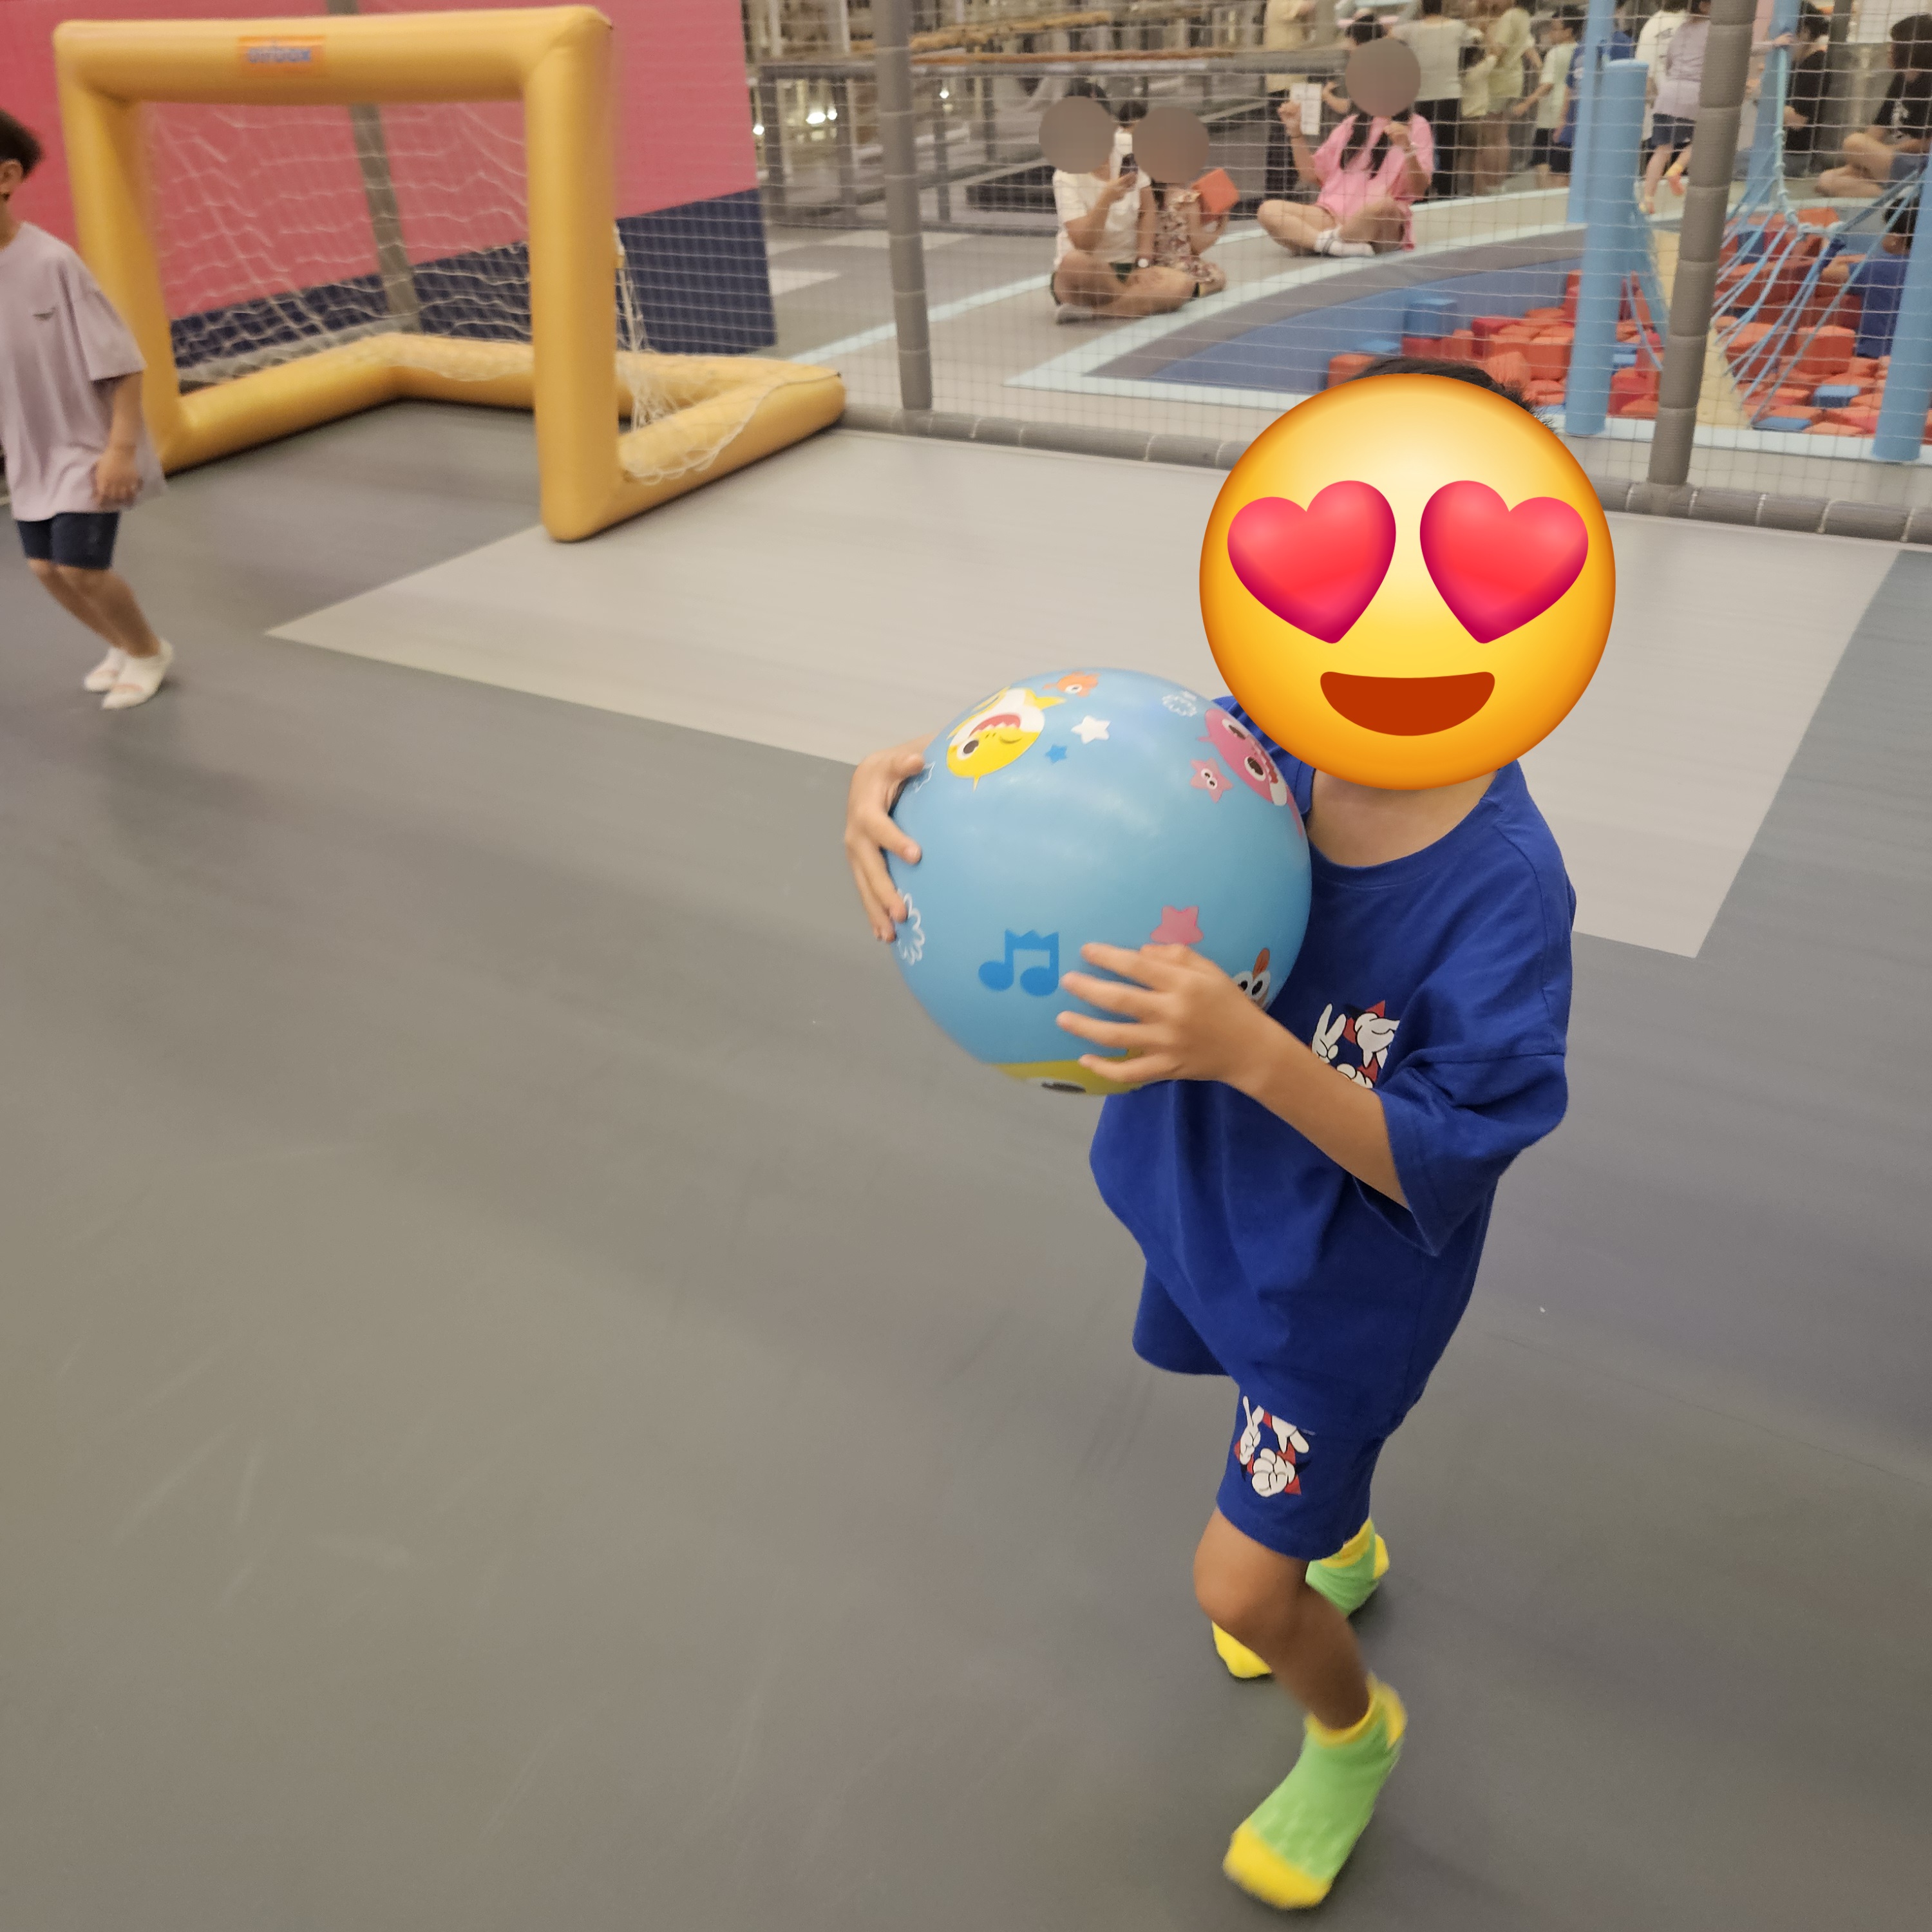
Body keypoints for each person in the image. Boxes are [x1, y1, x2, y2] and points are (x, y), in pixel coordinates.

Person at [841, 354, 1575, 1911]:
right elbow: (1082, 793)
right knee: (1256, 1420)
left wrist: (1254, 1053)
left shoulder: (1502, 893)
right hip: (1208, 1209)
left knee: (1238, 1582)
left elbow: (1455, 1148)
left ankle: (1353, 1736)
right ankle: (1339, 1535)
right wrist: (910, 786)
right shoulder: (1260, 741)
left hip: (1337, 1290)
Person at [0, 109, 173, 709]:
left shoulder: (52, 263)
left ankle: (148, 650)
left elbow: (123, 363)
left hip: (86, 446)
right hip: (30, 452)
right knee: (46, 570)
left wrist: (119, 449)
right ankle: (120, 645)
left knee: (82, 570)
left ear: (6, 177)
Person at [1049, 89, 1193, 322]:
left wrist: (1144, 262)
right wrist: (1105, 200)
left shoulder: (1129, 147)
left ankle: (1099, 311)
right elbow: (1084, 244)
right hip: (1090, 272)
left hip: (1129, 267)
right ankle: (1136, 302)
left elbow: (1147, 209)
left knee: (1183, 284)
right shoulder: (1065, 175)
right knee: (1074, 263)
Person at [1258, 101, 1435, 257]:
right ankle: (1332, 245)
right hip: (1331, 217)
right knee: (1268, 210)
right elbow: (1310, 174)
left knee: (1384, 206)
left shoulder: (1417, 125)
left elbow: (1418, 190)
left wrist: (1408, 149)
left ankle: (1318, 241)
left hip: (1379, 226)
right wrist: (1296, 133)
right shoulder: (1350, 124)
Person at [1817, 14, 1932, 201]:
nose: (1889, 49)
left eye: (1895, 44)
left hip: (1918, 164)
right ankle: (1903, 199)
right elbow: (1879, 127)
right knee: (1827, 180)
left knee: (1854, 143)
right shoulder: (1900, 79)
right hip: (1894, 160)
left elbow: (1927, 143)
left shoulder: (1928, 83)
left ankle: (1913, 196)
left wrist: (1886, 151)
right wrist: (1866, 159)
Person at [1394, 0, 1476, 197]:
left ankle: (1421, 194)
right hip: (1450, 95)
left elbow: (1391, 32)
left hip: (1422, 98)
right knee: (1449, 150)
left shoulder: (1411, 30)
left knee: (1421, 149)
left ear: (1422, 6)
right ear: (1443, 6)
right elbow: (1474, 42)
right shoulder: (1458, 27)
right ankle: (1448, 194)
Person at [1820, 196, 1919, 356]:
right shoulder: (1917, 270)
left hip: (1874, 356)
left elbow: (1822, 276)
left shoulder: (1876, 269)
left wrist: (1828, 244)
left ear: (1895, 239)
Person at [1643, 0, 1712, 215]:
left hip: (1668, 94)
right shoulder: (1713, 28)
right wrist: (1774, 44)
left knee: (1662, 150)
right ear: (1705, 6)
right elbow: (1744, 49)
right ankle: (1677, 169)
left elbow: (1670, 62)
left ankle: (1647, 200)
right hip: (1693, 94)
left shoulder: (1682, 28)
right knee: (1704, 137)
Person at [1512, 8, 1580, 187]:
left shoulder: (1554, 53)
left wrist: (1526, 103)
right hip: (1569, 115)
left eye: (1555, 29)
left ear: (1568, 31)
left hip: (1550, 117)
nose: (1550, 33)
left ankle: (1544, 195)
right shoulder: (1579, 51)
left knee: (1542, 160)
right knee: (1564, 166)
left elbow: (1547, 85)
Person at [1475, 0, 1536, 194]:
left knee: (1489, 137)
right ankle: (1500, 184)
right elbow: (1527, 48)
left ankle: (1490, 185)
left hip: (1497, 81)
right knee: (1502, 135)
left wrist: (1485, 32)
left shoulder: (1508, 17)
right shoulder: (1523, 15)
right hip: (1513, 79)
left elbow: (1498, 52)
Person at [1263, 0, 1318, 201]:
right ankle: (1280, 190)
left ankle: (1283, 189)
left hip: (1290, 79)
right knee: (1284, 136)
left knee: (1287, 135)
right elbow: (1306, 7)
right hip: (1285, 81)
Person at [1142, 181, 1229, 297]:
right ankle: (1195, 290)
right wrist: (1221, 226)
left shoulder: (1146, 199)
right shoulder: (1187, 199)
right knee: (1218, 277)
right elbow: (1197, 246)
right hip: (1181, 269)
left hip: (1155, 268)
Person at [1779, 7, 1832, 169]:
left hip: (1796, 156)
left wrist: (1764, 95)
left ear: (1804, 32)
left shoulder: (1815, 65)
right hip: (1783, 150)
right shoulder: (1799, 63)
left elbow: (1797, 121)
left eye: (1785, 35)